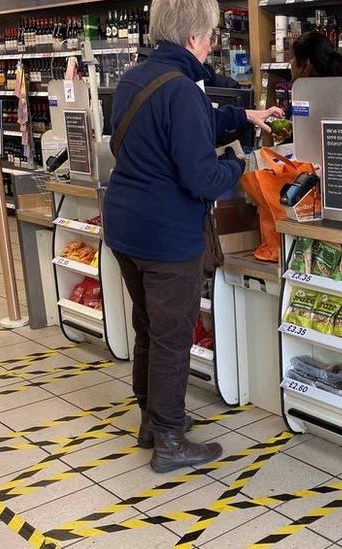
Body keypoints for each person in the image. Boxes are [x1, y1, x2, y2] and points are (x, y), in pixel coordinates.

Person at [102, 0, 282, 474]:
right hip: (166, 236)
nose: (212, 43)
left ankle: (150, 421)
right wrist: (242, 166)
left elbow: (195, 118)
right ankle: (170, 438)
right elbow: (202, 177)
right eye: (209, 35)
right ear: (191, 39)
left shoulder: (138, 78)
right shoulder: (181, 89)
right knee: (171, 335)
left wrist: (247, 117)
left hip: (125, 227)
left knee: (149, 327)